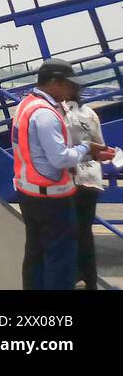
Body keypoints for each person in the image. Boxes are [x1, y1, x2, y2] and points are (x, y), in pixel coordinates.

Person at [12, 61, 114, 290]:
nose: (72, 91)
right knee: (60, 261)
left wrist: (89, 155)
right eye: (68, 85)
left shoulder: (25, 105)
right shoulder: (46, 114)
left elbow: (40, 153)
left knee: (35, 257)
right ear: (54, 83)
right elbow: (59, 158)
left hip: (29, 191)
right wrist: (87, 148)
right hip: (52, 197)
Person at [63, 81, 105, 289]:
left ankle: (73, 275)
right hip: (93, 177)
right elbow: (100, 146)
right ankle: (90, 279)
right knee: (86, 231)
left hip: (73, 177)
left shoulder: (63, 115)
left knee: (68, 230)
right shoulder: (90, 114)